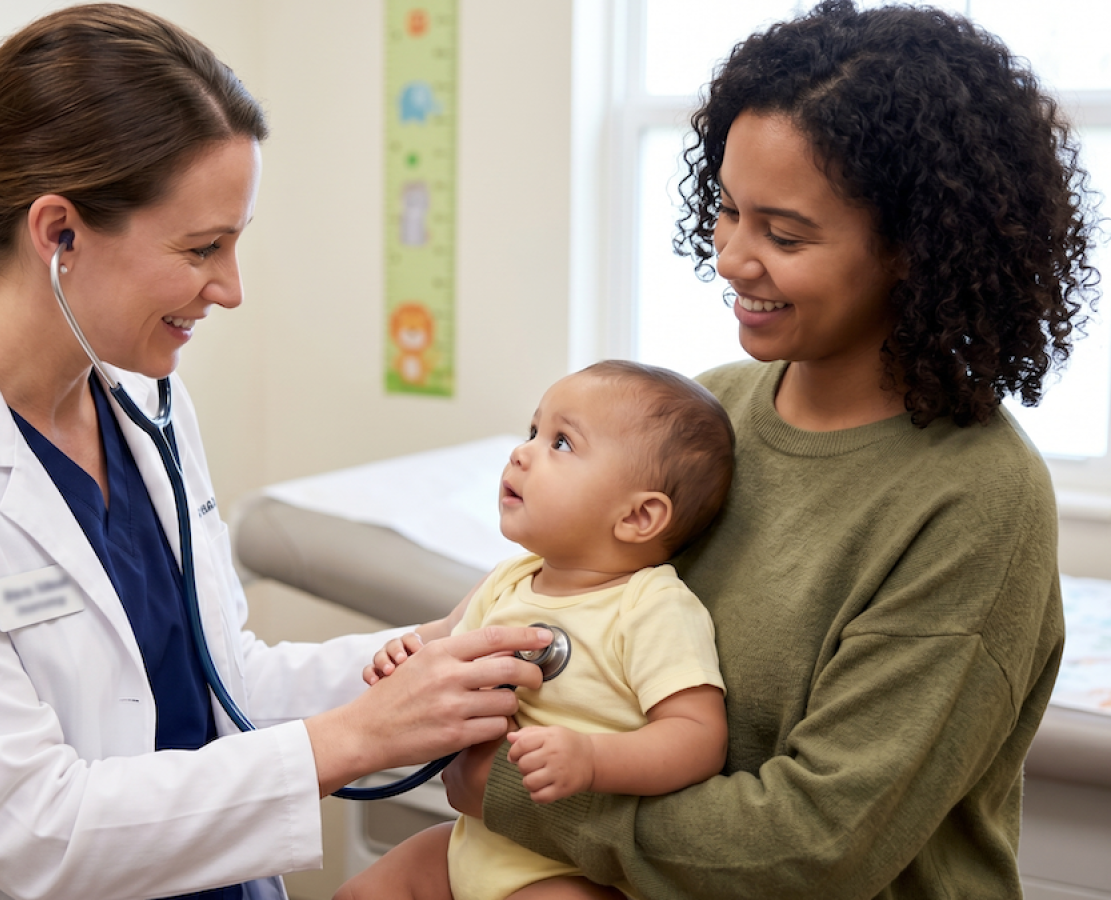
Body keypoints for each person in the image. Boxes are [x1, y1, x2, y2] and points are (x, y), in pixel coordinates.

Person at [0, 6, 553, 900]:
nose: (229, 288)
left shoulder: (144, 398)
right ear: (59, 232)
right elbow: (38, 829)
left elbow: (224, 682)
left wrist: (437, 653)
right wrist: (362, 735)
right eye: (202, 248)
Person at [443, 3, 1096, 898]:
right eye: (727, 210)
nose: (734, 259)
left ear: (917, 247)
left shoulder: (976, 500)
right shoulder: (717, 410)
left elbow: (818, 844)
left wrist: (514, 796)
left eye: (784, 235)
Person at [337, 361, 736, 900]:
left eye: (562, 443)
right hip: (474, 841)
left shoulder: (652, 606)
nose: (521, 452)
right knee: (366, 890)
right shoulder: (510, 580)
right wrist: (407, 659)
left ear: (639, 517)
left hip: (565, 871)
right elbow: (450, 665)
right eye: (533, 432)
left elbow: (698, 737)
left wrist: (593, 760)